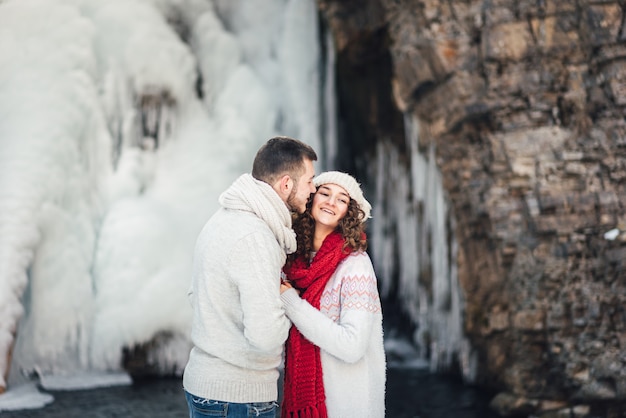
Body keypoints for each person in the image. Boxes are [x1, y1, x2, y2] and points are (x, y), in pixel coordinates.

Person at [182, 136, 318, 418]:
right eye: (309, 180)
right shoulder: (255, 237)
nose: (313, 189)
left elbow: (195, 296)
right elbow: (266, 336)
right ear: (286, 184)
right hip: (238, 397)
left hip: (208, 386)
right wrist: (289, 305)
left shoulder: (223, 218)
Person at [279, 171, 386, 418]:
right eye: (325, 194)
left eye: (341, 199)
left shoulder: (356, 265)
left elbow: (352, 346)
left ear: (348, 212)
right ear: (311, 199)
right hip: (313, 400)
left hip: (347, 405)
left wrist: (292, 303)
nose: (330, 202)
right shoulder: (294, 261)